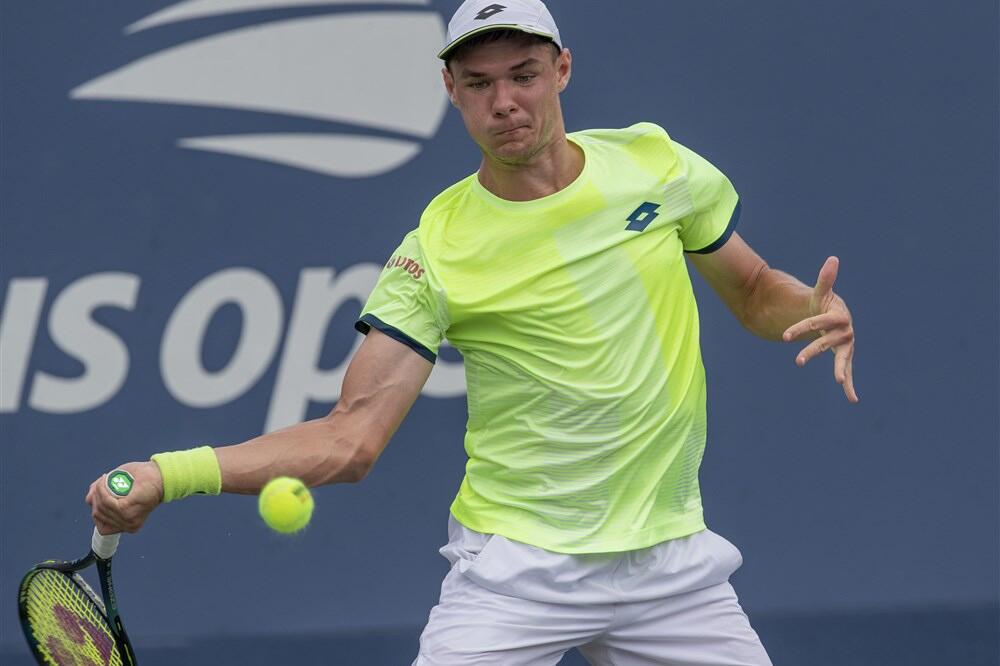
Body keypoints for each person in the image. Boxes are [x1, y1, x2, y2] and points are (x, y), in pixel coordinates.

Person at [86, 1, 857, 663]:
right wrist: (170, 473)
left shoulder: (658, 166)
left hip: (671, 563)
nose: (505, 102)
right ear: (451, 91)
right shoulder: (437, 250)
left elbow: (753, 290)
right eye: (480, 84)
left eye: (524, 75)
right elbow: (349, 440)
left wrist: (809, 308)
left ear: (562, 70)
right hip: (520, 573)